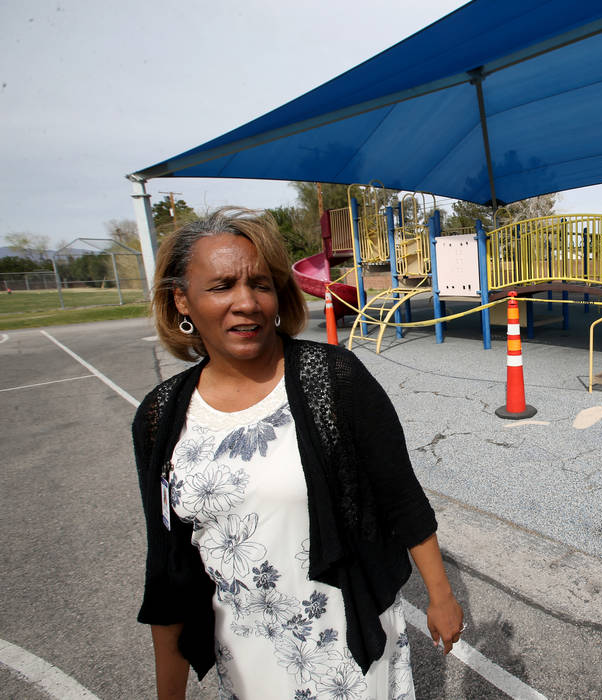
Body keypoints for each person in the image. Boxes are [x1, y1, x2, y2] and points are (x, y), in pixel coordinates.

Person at [132, 208, 463, 699]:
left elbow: (401, 495)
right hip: (245, 656)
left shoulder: (333, 378)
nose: (246, 303)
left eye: (260, 284)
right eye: (222, 286)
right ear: (181, 298)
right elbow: (168, 569)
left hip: (345, 643)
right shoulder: (159, 416)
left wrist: (441, 595)